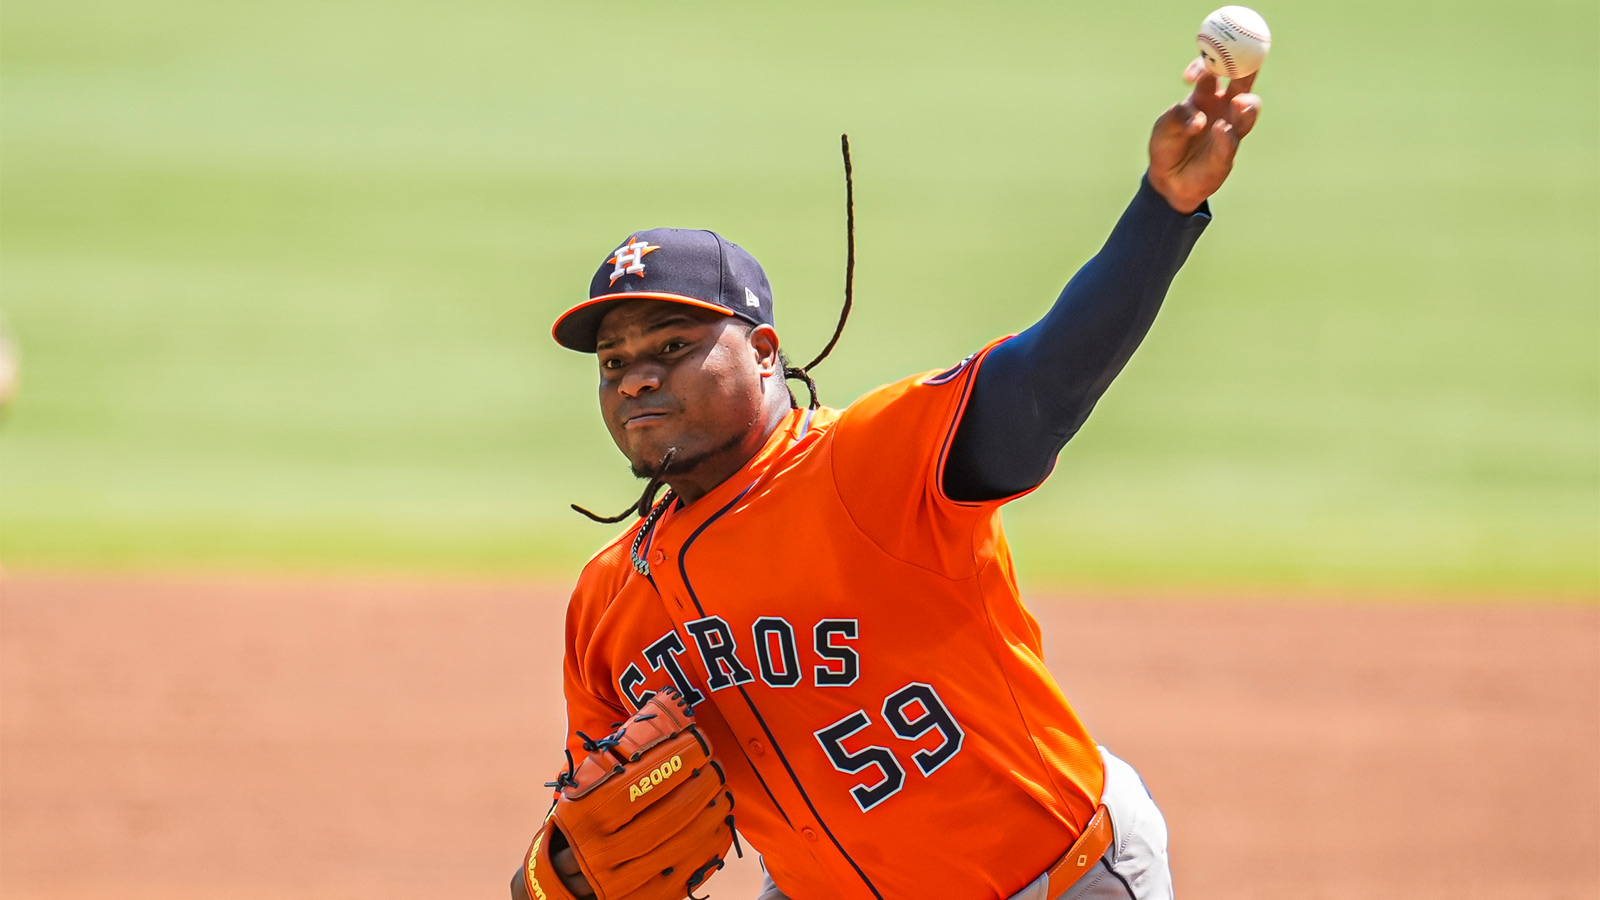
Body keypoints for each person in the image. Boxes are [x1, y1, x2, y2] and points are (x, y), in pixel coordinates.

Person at [516, 59, 1262, 900]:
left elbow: (1047, 378)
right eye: (613, 361)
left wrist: (1162, 214)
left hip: (1051, 879)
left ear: (764, 355)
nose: (635, 379)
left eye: (671, 347)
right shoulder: (607, 602)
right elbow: (600, 827)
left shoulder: (870, 464)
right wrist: (549, 881)